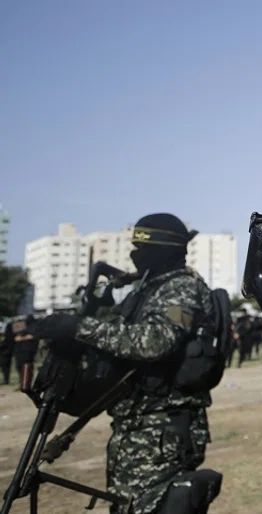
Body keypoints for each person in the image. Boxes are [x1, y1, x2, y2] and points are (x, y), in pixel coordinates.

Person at [29, 213, 220, 514]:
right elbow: (122, 338)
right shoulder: (148, 288)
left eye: (144, 248)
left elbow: (156, 341)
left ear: (166, 251)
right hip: (138, 425)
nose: (135, 254)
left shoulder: (181, 287)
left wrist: (79, 327)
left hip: (163, 428)